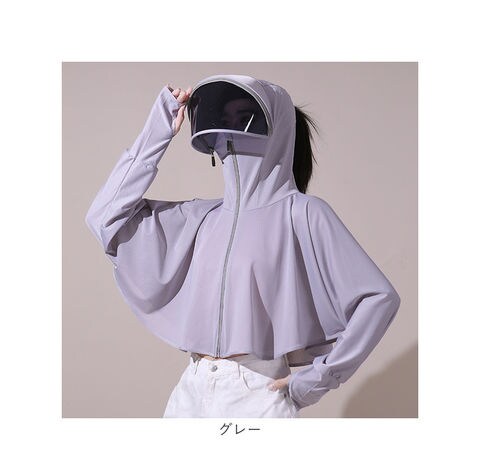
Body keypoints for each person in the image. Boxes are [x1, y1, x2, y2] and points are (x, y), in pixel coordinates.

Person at [85, 74, 401, 418]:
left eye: (245, 118)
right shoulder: (202, 218)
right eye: (226, 118)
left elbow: (378, 298)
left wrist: (316, 380)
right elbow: (104, 218)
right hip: (191, 389)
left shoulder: (302, 213)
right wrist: (158, 129)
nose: (232, 129)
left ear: (274, 129)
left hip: (255, 391)